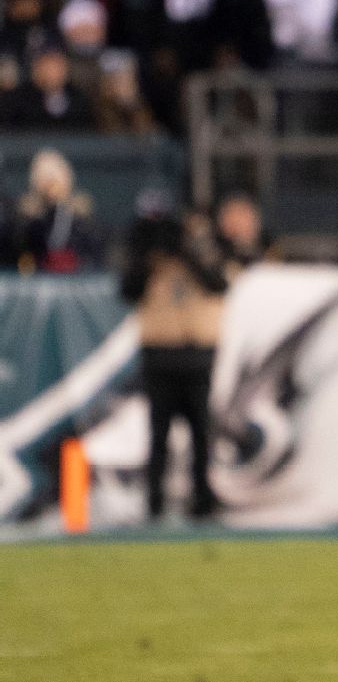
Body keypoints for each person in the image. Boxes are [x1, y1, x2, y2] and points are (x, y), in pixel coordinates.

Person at [120, 190, 229, 521]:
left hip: (197, 352)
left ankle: (203, 501)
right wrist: (149, 254)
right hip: (159, 352)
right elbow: (128, 290)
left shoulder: (205, 247)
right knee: (158, 434)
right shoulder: (144, 252)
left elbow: (218, 283)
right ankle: (154, 502)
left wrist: (187, 250)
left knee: (201, 434)